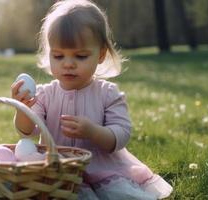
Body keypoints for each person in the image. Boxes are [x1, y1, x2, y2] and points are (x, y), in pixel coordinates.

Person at [11, 0, 172, 199]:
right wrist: (22, 108)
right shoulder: (45, 95)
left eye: (80, 56)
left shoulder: (107, 94)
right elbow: (28, 131)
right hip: (59, 169)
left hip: (103, 171)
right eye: (59, 56)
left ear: (101, 55)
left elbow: (121, 134)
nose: (68, 64)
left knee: (118, 194)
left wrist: (93, 132)